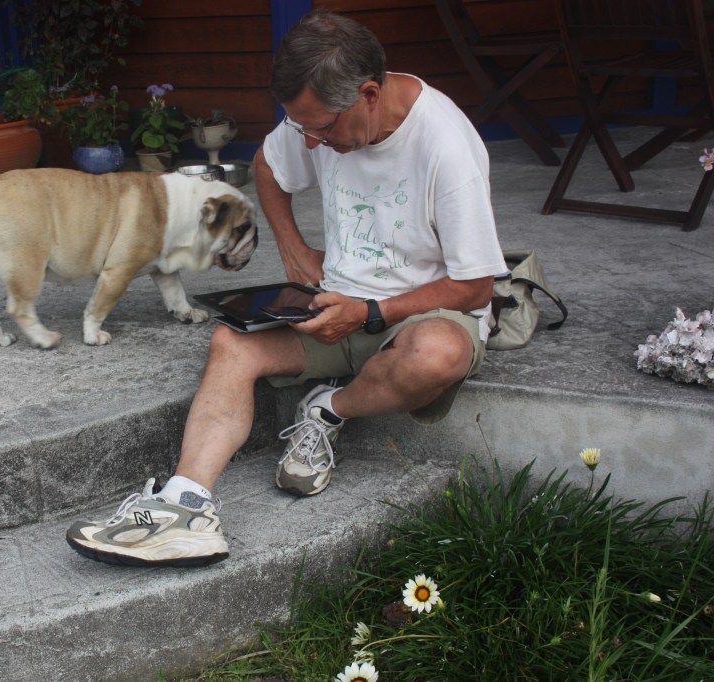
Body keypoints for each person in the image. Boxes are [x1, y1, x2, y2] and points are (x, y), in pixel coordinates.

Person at [66, 10, 506, 567]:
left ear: (369, 94)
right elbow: (268, 165)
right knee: (231, 344)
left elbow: (474, 286)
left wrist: (371, 311)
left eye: (322, 130)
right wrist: (293, 247)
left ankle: (328, 409)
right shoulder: (317, 120)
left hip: (424, 311)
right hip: (334, 302)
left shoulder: (445, 146)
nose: (313, 142)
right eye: (304, 131)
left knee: (436, 355)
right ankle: (185, 507)